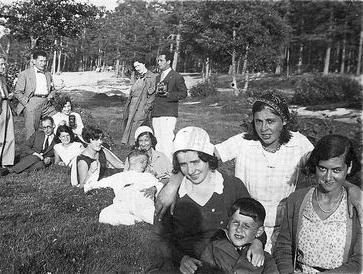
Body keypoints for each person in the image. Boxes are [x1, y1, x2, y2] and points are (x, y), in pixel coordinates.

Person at [155, 91, 363, 253]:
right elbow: (201, 156)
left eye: (271, 121)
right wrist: (173, 184)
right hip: (244, 226)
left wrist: (351, 188)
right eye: (258, 121)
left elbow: (325, 168)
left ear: (284, 121)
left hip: (284, 228)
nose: (264, 128)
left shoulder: (298, 143)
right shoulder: (244, 142)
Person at [151, 127, 266, 274]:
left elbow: (255, 223)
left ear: (208, 157)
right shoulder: (171, 193)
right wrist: (181, 258)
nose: (191, 171)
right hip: (184, 266)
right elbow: (158, 237)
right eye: (183, 164)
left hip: (225, 263)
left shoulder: (231, 186)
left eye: (195, 162)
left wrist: (257, 243)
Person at [273, 135, 362, 273]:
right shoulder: (297, 200)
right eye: (322, 168)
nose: (327, 177)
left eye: (336, 170)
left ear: (349, 168)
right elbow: (284, 247)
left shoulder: (357, 207)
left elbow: (359, 260)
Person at [200, 197, 279, 274]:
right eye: (235, 223)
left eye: (246, 226)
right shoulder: (214, 249)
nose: (239, 229)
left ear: (259, 231)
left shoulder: (264, 258)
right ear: (228, 224)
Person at [84, 149, 163, 226]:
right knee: (104, 215)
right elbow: (101, 183)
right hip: (123, 202)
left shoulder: (147, 176)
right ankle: (136, 220)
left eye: (146, 162)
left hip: (141, 198)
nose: (145, 165)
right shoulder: (120, 176)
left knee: (149, 215)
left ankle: (162, 222)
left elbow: (159, 185)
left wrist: (154, 188)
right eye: (142, 162)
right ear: (132, 162)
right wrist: (89, 185)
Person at [152, 52, 187, 161]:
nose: (159, 63)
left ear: (168, 61)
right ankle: (159, 166)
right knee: (157, 141)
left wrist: (169, 95)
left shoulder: (177, 76)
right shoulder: (157, 77)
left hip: (168, 112)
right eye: (158, 61)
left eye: (161, 60)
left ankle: (169, 166)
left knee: (167, 141)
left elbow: (183, 94)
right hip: (156, 112)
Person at [14, 50, 57, 139]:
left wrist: (51, 95)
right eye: (41, 61)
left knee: (57, 121)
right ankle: (31, 152)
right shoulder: (24, 74)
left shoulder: (48, 74)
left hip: (47, 104)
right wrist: (27, 104)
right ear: (34, 61)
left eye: (45, 61)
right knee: (32, 133)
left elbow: (53, 89)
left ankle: (51, 148)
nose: (43, 63)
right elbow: (17, 92)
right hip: (32, 103)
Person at [122, 59, 156, 145]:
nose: (137, 68)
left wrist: (146, 109)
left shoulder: (151, 77)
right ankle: (135, 149)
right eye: (135, 67)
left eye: (138, 65)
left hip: (141, 110)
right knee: (132, 131)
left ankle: (141, 149)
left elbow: (151, 96)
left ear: (144, 63)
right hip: (133, 109)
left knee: (140, 132)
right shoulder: (139, 77)